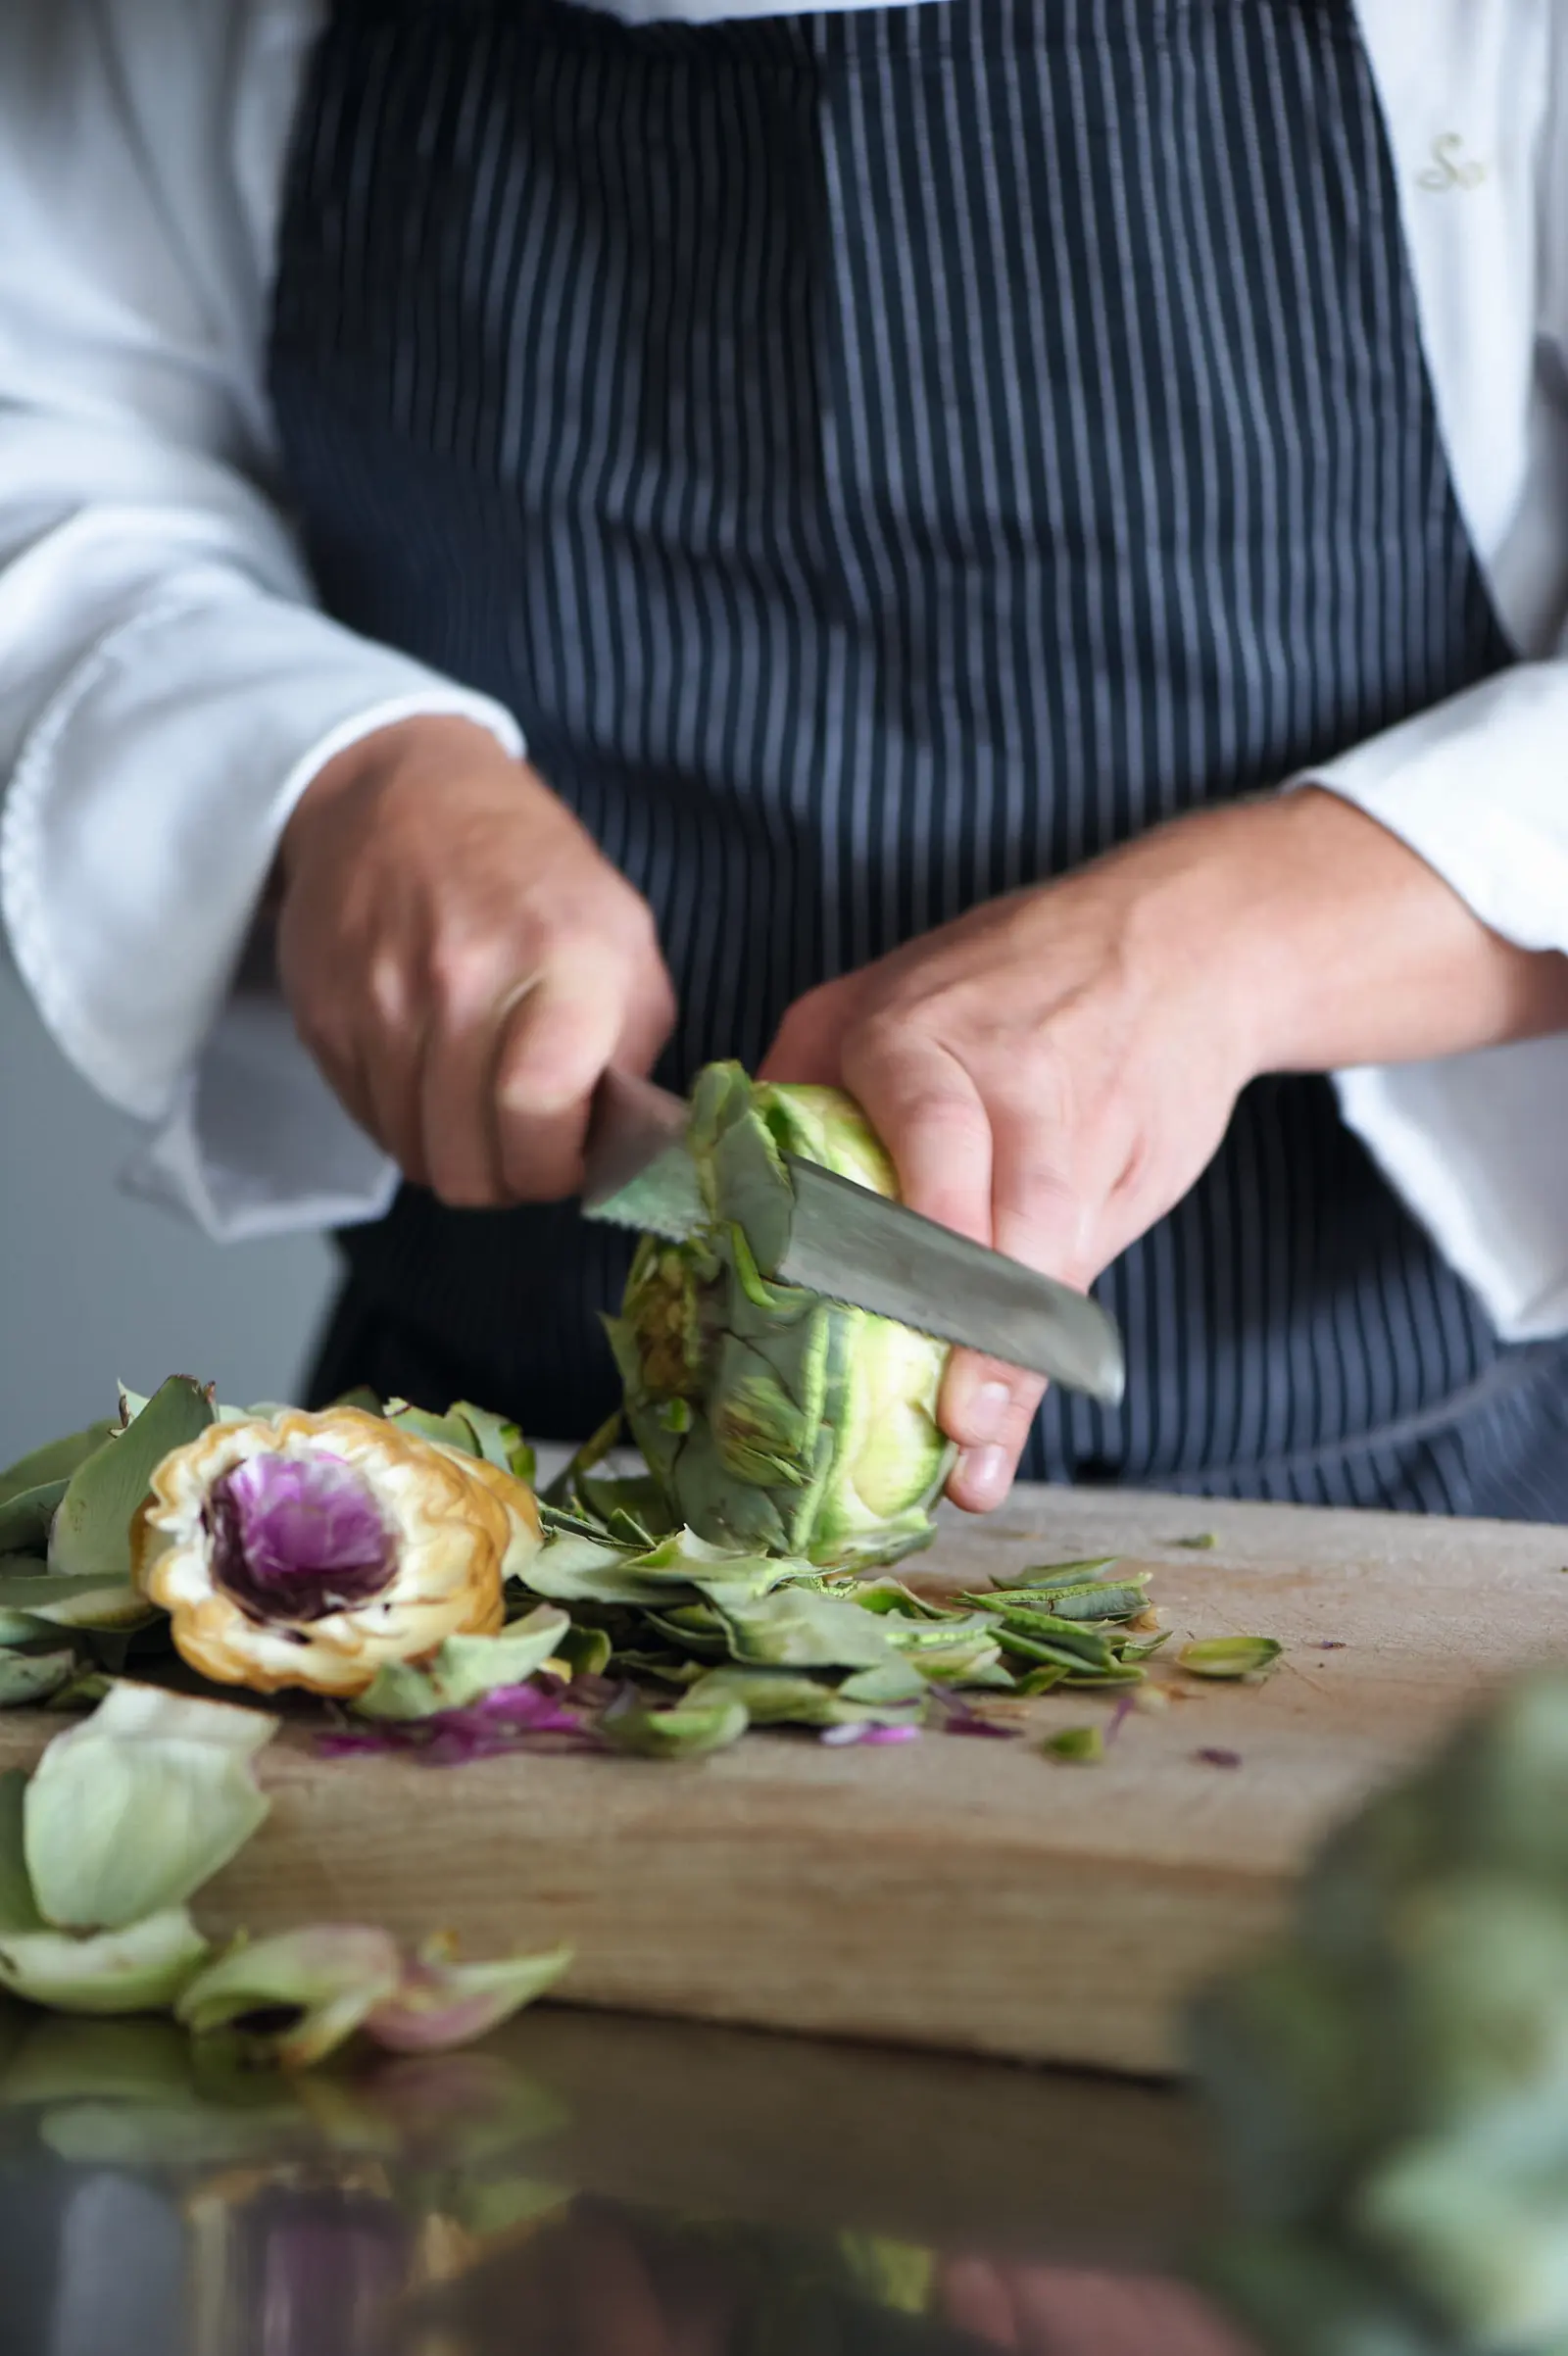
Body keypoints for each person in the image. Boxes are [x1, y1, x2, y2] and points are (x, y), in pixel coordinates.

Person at [4, 1, 1568, 1522]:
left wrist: (1230, 946)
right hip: (505, 1480)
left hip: (1419, 1490)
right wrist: (345, 775)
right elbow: (52, 427)